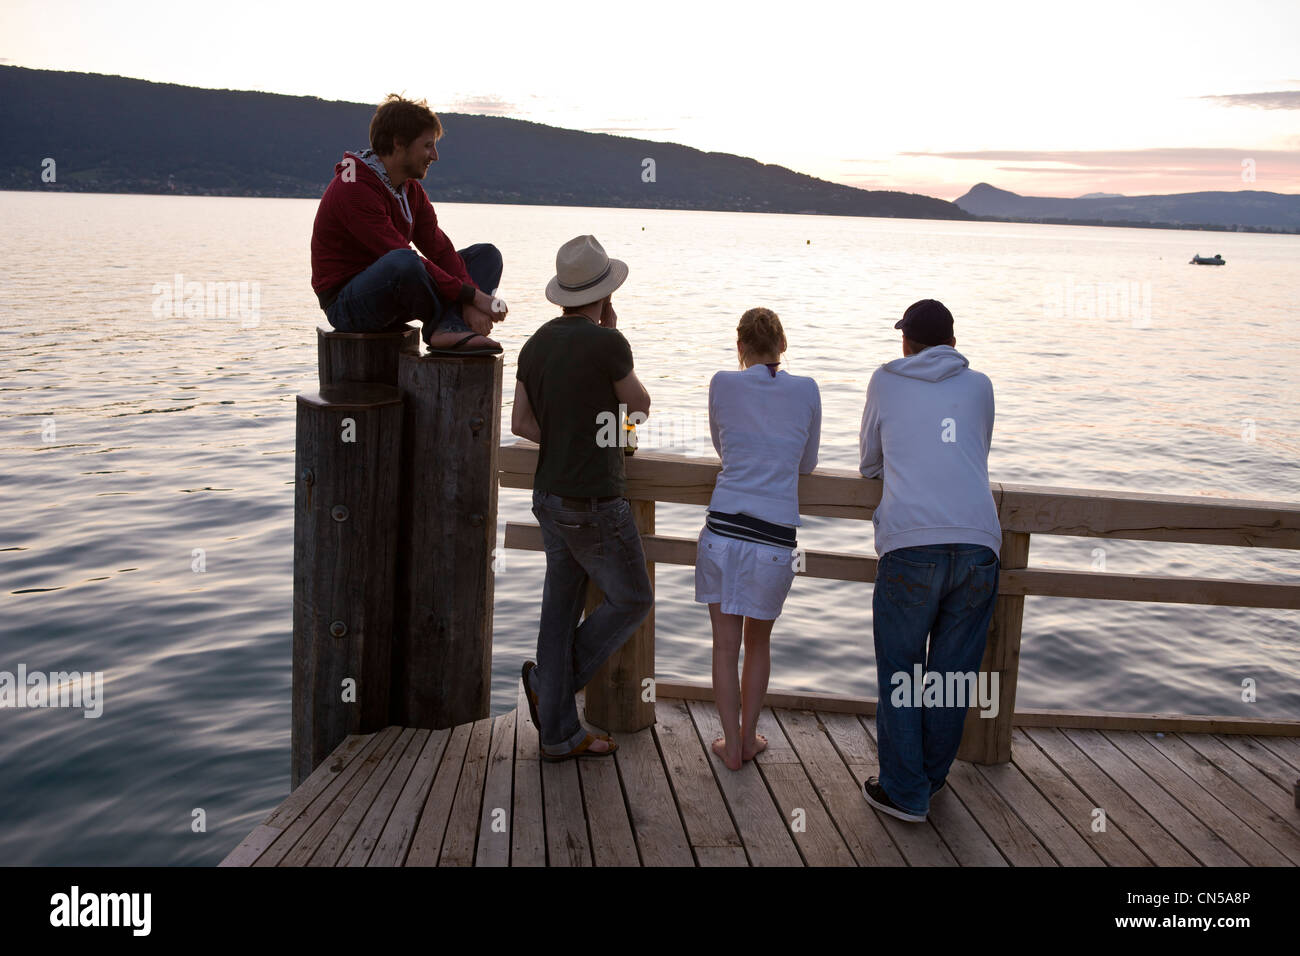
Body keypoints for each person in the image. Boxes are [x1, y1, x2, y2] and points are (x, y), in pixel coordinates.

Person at [511, 235, 655, 761]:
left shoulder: (534, 345)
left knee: (558, 612)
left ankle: (557, 733)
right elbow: (637, 409)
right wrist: (611, 338)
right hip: (594, 501)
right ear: (605, 294)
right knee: (633, 599)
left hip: (548, 497)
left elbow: (521, 423)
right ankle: (552, 695)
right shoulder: (607, 343)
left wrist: (567, 434)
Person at [858, 298, 1002, 822]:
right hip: (979, 542)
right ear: (954, 345)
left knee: (901, 670)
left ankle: (903, 791)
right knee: (951, 675)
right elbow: (976, 452)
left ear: (906, 343)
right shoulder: (980, 384)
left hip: (910, 543)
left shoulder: (885, 380)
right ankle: (929, 780)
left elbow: (869, 462)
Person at [696, 308, 820, 771]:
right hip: (773, 539)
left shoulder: (722, 383)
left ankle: (730, 746)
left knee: (725, 647)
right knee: (758, 644)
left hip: (723, 529)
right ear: (782, 346)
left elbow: (722, 447)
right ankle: (749, 739)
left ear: (740, 347)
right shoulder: (806, 389)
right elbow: (806, 464)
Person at [310, 93, 507, 354]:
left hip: (397, 287)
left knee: (486, 255)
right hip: (347, 303)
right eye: (427, 146)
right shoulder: (353, 187)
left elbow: (439, 249)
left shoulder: (409, 188)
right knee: (404, 262)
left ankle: (450, 326)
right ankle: (443, 326)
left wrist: (470, 297)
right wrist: (474, 296)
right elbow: (397, 256)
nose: (434, 156)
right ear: (399, 143)